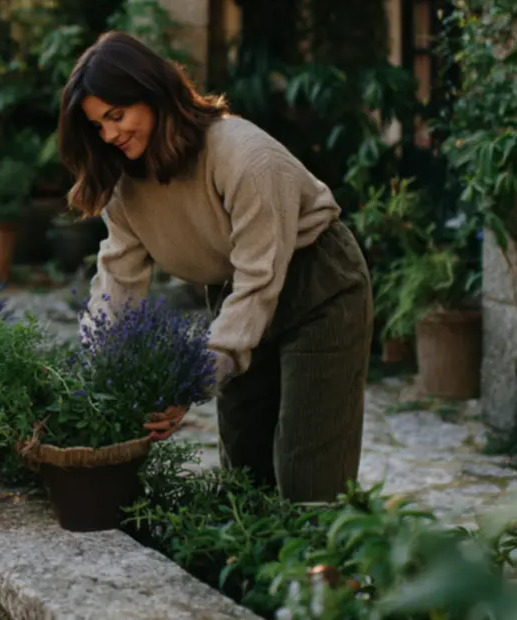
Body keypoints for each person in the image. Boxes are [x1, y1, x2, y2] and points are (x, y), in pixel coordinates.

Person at [58, 31, 373, 504]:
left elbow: (260, 280)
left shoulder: (247, 157)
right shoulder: (126, 185)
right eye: (97, 125)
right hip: (236, 291)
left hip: (319, 287)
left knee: (308, 474)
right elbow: (117, 283)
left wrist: (191, 381)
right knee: (243, 470)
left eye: (116, 116)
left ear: (153, 92)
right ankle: (259, 556)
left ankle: (326, 553)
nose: (109, 135)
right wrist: (95, 377)